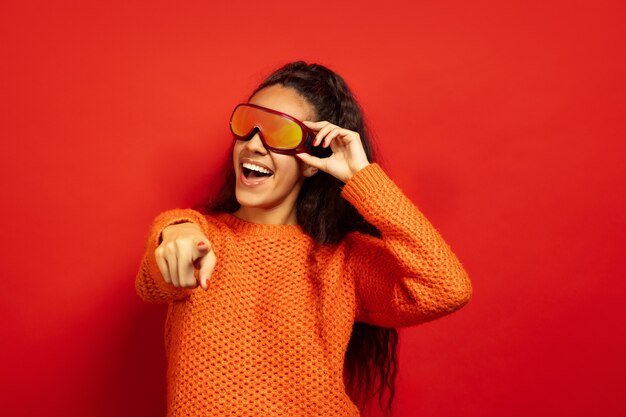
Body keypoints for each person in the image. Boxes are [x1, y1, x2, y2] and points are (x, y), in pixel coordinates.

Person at [135, 61, 472, 417]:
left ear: (313, 161)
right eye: (248, 126)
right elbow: (156, 276)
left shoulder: (345, 260)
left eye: (279, 134)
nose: (253, 144)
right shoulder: (193, 235)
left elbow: (447, 289)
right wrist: (177, 237)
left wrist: (363, 177)